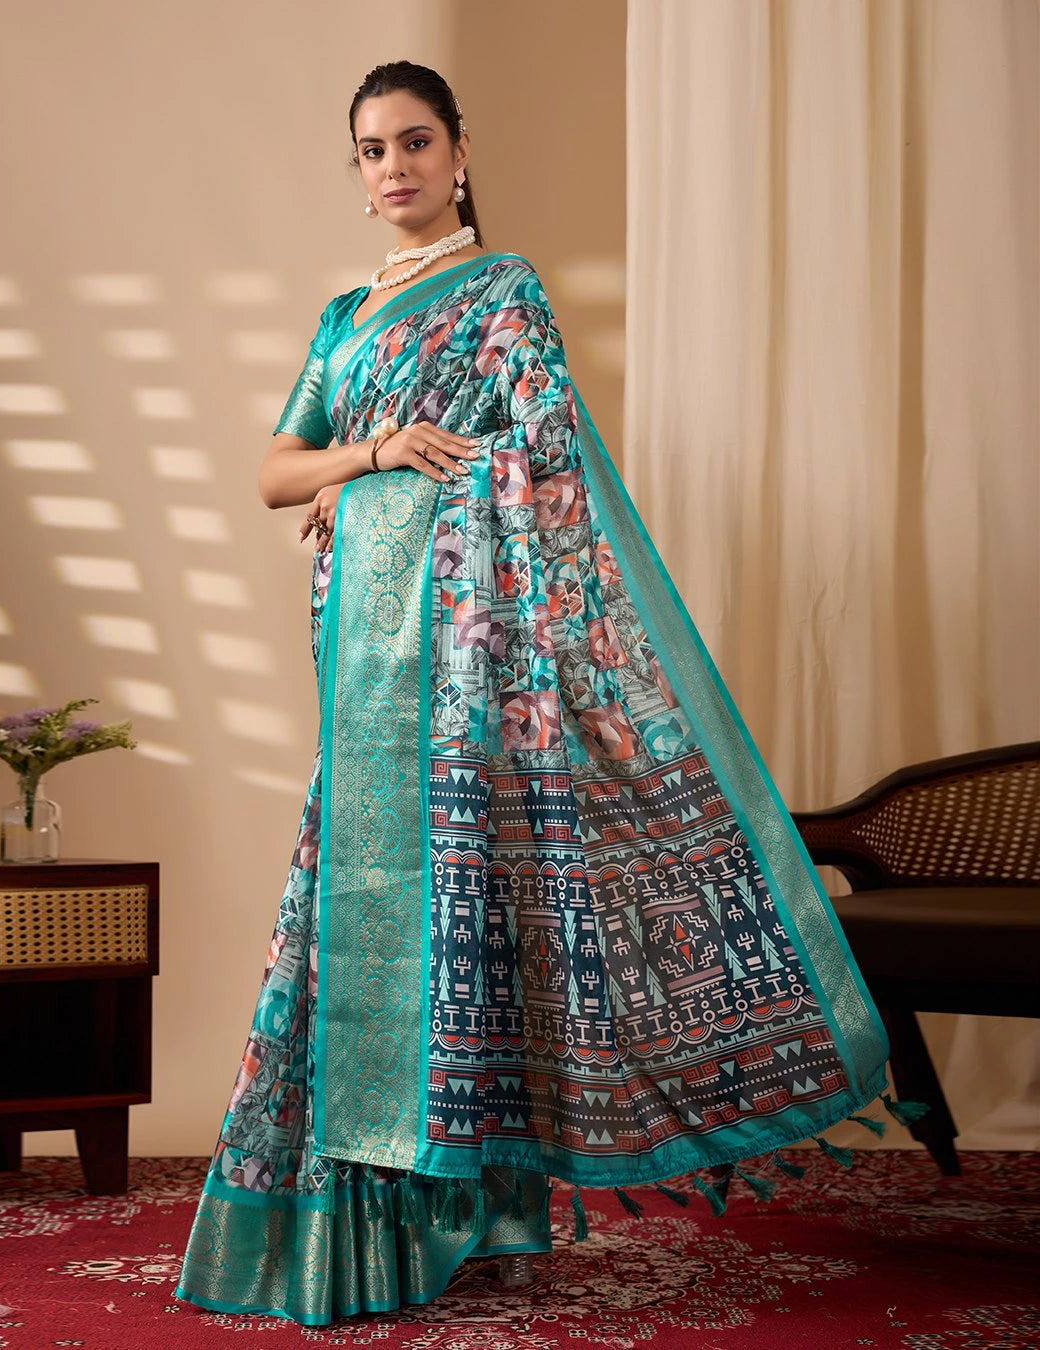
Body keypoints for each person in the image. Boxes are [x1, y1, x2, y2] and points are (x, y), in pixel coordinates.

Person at [173, 60, 928, 1329]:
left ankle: (448, 1212)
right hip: (357, 668)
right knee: (357, 914)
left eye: (415, 142)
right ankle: (368, 1216)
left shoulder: (506, 291)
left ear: (460, 151)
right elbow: (268, 470)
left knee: (455, 918)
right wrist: (372, 460)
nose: (394, 167)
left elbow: (541, 467)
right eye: (371, 151)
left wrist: (376, 500)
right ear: (357, 178)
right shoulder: (344, 314)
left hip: (460, 675)